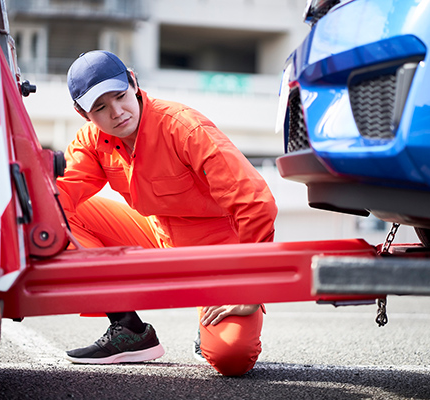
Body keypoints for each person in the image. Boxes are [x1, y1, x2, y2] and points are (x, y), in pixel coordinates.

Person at [56, 50, 278, 376]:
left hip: (221, 251)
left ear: (133, 82)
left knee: (232, 357)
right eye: (100, 107)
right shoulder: (92, 140)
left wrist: (253, 286)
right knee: (53, 215)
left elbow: (254, 200)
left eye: (119, 96)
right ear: (83, 113)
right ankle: (129, 329)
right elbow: (60, 195)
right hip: (157, 238)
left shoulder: (183, 128)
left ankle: (211, 331)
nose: (117, 112)